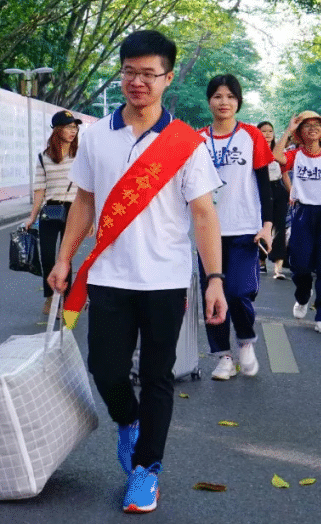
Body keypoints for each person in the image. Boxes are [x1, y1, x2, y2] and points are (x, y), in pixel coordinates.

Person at [47, 30, 226, 514]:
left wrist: (214, 279)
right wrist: (65, 257)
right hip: (108, 276)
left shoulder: (186, 143)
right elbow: (83, 200)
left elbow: (204, 214)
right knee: (104, 369)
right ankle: (128, 423)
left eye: (148, 74)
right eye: (130, 72)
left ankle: (147, 469)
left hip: (165, 280)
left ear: (167, 78)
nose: (137, 82)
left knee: (157, 376)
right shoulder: (96, 135)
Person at [198, 75, 273, 381]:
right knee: (212, 297)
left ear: (238, 101)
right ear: (209, 101)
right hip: (208, 231)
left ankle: (245, 342)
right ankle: (223, 356)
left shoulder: (251, 136)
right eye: (217, 96)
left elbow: (265, 185)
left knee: (238, 291)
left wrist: (267, 226)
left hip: (244, 227)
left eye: (230, 96)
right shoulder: (197, 140)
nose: (224, 101)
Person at [273, 111, 321, 335]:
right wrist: (288, 129)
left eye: (317, 125)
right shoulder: (295, 155)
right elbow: (275, 156)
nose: (313, 128)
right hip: (303, 213)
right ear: (300, 133)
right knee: (300, 265)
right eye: (307, 126)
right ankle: (302, 296)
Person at [24, 110, 81, 315]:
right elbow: (40, 188)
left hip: (74, 209)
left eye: (75, 127)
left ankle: (64, 300)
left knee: (65, 256)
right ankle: (50, 297)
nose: (72, 131)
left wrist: (89, 218)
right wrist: (32, 216)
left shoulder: (80, 155)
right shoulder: (44, 157)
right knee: (47, 256)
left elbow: (86, 187)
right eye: (68, 127)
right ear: (57, 130)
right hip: (51, 209)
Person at [257, 121, 291, 279]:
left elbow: (285, 174)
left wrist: (291, 193)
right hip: (260, 191)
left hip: (278, 190)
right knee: (262, 226)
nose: (268, 134)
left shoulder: (278, 151)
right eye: (263, 131)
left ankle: (278, 267)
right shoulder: (253, 151)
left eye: (270, 131)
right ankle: (261, 261)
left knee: (280, 228)